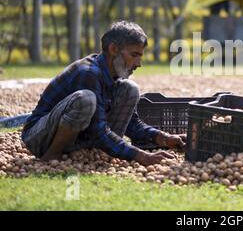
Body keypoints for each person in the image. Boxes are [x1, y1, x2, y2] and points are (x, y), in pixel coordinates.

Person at [21, 21, 185, 166]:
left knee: (130, 89)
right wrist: (142, 156)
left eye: (140, 56)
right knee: (86, 99)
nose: (139, 63)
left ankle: (93, 153)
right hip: (40, 138)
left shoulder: (112, 76)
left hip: (80, 138)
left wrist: (163, 138)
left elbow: (132, 125)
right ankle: (51, 156)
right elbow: (99, 132)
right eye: (134, 55)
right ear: (113, 49)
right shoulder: (88, 73)